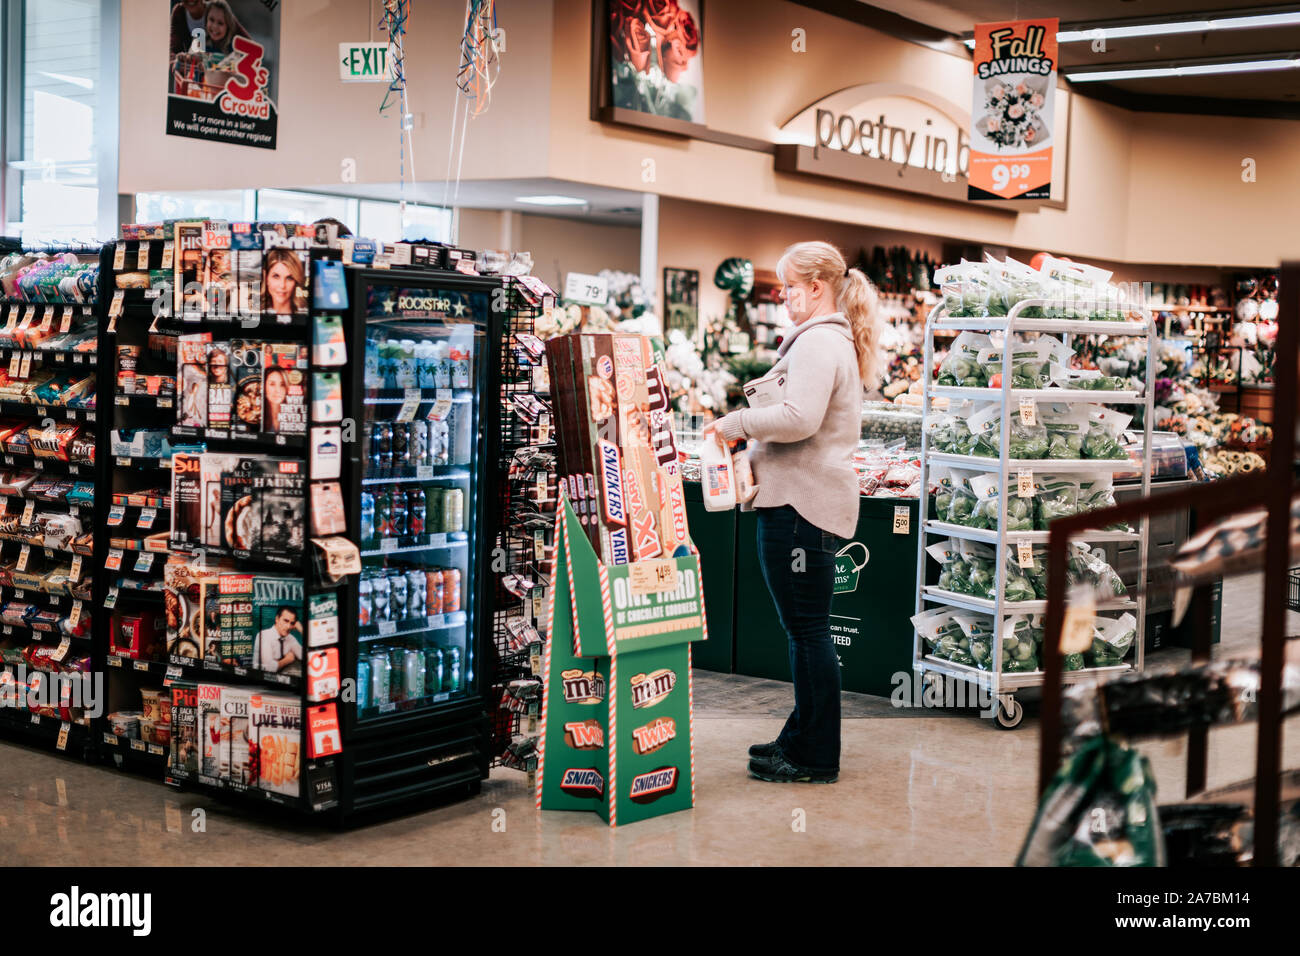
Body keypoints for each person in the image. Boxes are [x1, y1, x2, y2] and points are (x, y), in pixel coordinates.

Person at [709, 240, 882, 785]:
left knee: (807, 632)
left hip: (801, 508)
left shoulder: (818, 344)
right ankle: (801, 736)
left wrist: (735, 424)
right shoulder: (828, 341)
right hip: (805, 504)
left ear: (816, 286)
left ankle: (814, 756)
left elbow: (799, 417)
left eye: (789, 286)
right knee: (806, 631)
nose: (783, 296)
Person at [253, 607, 302, 673]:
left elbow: (305, 657)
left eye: (292, 623)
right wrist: (287, 660)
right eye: (286, 621)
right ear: (277, 619)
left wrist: (301, 630)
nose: (288, 626)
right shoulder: (264, 635)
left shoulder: (290, 638)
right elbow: (268, 668)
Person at [262, 247, 305, 314]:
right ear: (266, 278)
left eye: (289, 278)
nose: (282, 285)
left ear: (296, 281)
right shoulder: (255, 314)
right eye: (276, 276)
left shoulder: (304, 314)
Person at [263, 367, 287, 432]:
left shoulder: (294, 415)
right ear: (264, 386)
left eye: (282, 385)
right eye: (272, 384)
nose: (277, 390)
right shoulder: (257, 414)